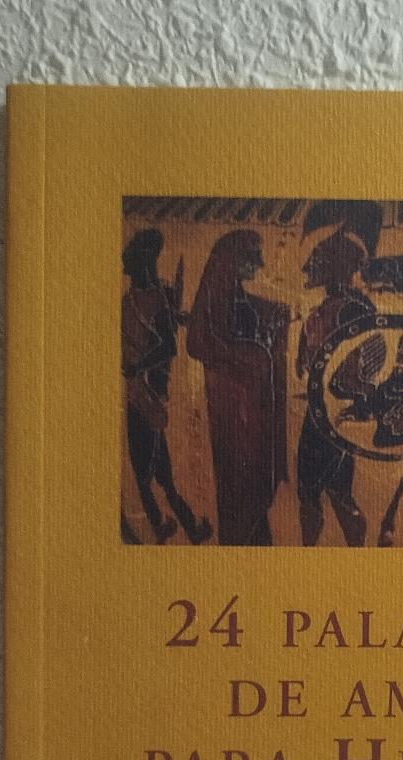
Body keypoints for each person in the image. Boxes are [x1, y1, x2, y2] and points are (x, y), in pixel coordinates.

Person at [186, 228, 289, 545]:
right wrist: (250, 355)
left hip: (254, 408)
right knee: (239, 481)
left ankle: (256, 536)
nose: (260, 264)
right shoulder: (216, 299)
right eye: (252, 256)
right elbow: (199, 343)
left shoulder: (234, 296)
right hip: (233, 412)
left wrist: (277, 313)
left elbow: (250, 313)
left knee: (254, 480)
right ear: (233, 260)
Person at [121, 223, 210, 544]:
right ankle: (173, 526)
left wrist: (138, 364)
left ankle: (177, 526)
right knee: (152, 472)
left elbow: (166, 342)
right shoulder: (139, 299)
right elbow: (164, 342)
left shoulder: (152, 298)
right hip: (141, 393)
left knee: (156, 473)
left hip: (147, 395)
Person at [295, 232, 374, 545]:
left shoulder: (352, 308)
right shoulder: (330, 306)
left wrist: (349, 391)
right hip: (319, 409)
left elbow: (366, 363)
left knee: (327, 490)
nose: (309, 268)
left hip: (336, 411)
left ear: (336, 266)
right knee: (316, 490)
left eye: (319, 260)